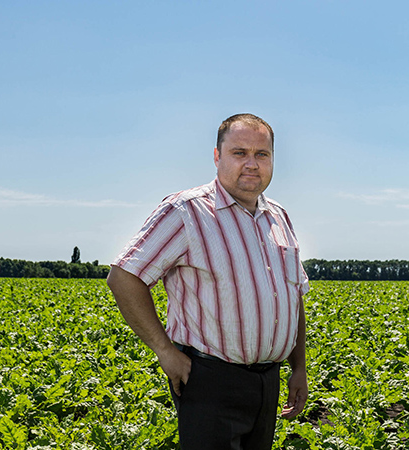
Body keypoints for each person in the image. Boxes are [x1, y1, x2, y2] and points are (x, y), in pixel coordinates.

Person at [107, 113, 309, 449]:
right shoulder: (186, 211)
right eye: (239, 153)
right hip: (210, 381)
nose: (252, 164)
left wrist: (298, 367)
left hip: (267, 381)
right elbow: (124, 276)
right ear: (217, 157)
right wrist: (164, 350)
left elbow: (293, 296)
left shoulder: (279, 216)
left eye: (262, 155)